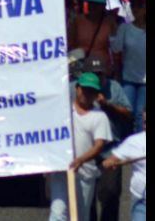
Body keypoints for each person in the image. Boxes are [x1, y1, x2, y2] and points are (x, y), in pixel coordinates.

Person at [73, 57, 133, 221]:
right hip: (84, 149)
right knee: (85, 195)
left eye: (100, 74)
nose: (98, 77)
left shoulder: (114, 87)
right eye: (93, 74)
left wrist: (107, 104)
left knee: (110, 192)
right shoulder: (77, 88)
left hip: (109, 149)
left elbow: (128, 114)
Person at [48, 73, 112, 221]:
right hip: (61, 171)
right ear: (77, 88)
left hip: (85, 174)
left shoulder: (99, 116)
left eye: (92, 91)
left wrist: (80, 160)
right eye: (84, 89)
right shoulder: (63, 112)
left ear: (97, 94)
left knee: (79, 216)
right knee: (58, 214)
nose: (87, 94)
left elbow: (99, 145)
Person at [102, 108, 146, 221]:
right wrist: (110, 162)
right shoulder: (134, 141)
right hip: (141, 200)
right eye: (145, 122)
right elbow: (112, 159)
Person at [111, 0, 146, 133]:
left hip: (145, 82)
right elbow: (116, 49)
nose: (135, 10)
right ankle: (125, 142)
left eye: (139, 6)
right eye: (133, 6)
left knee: (139, 113)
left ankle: (139, 147)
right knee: (126, 111)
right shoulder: (124, 28)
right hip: (127, 78)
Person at [68, 0, 118, 77]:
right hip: (80, 67)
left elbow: (115, 49)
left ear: (104, 6)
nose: (93, 6)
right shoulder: (78, 21)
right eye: (91, 3)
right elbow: (70, 44)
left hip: (102, 69)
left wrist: (114, 68)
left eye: (97, 4)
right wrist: (71, 65)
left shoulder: (110, 23)